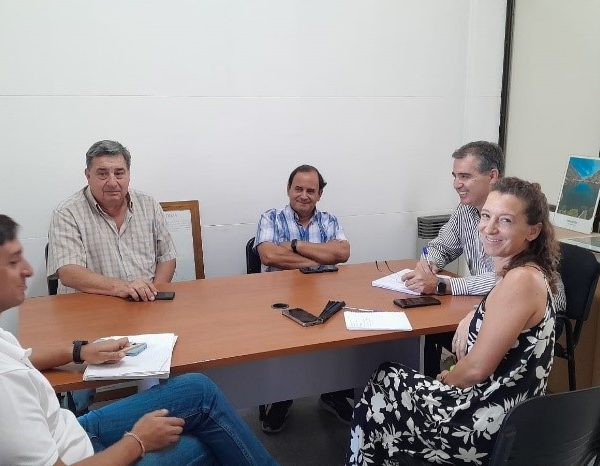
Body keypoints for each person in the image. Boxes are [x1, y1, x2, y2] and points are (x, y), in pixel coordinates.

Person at [0, 214, 277, 466]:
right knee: (206, 442)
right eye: (13, 262)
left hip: (70, 432)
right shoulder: (6, 386)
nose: (28, 270)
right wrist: (137, 441)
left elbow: (23, 357)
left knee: (199, 388)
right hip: (78, 455)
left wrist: (80, 351)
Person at [347, 177, 559, 465]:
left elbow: (475, 370)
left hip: (486, 423)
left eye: (505, 221)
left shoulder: (519, 281)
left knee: (384, 383)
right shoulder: (527, 273)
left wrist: (443, 380)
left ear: (532, 231)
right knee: (388, 382)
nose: (489, 228)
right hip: (511, 415)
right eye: (486, 216)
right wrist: (473, 314)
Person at [254, 164, 351, 433]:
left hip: (324, 295)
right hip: (279, 300)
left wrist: (295, 245)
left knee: (337, 336)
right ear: (288, 189)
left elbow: (342, 253)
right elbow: (269, 256)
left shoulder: (329, 220)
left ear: (320, 194)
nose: (304, 195)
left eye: (311, 190)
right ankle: (282, 398)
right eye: (298, 189)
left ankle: (333, 393)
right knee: (283, 344)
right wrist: (319, 258)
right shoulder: (271, 218)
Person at [47, 140, 176, 302]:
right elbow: (69, 272)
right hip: (89, 307)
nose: (112, 182)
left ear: (129, 174)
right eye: (102, 174)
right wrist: (125, 287)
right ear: (88, 175)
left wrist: (151, 294)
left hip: (144, 304)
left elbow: (167, 257)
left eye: (119, 173)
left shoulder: (149, 204)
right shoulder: (67, 213)